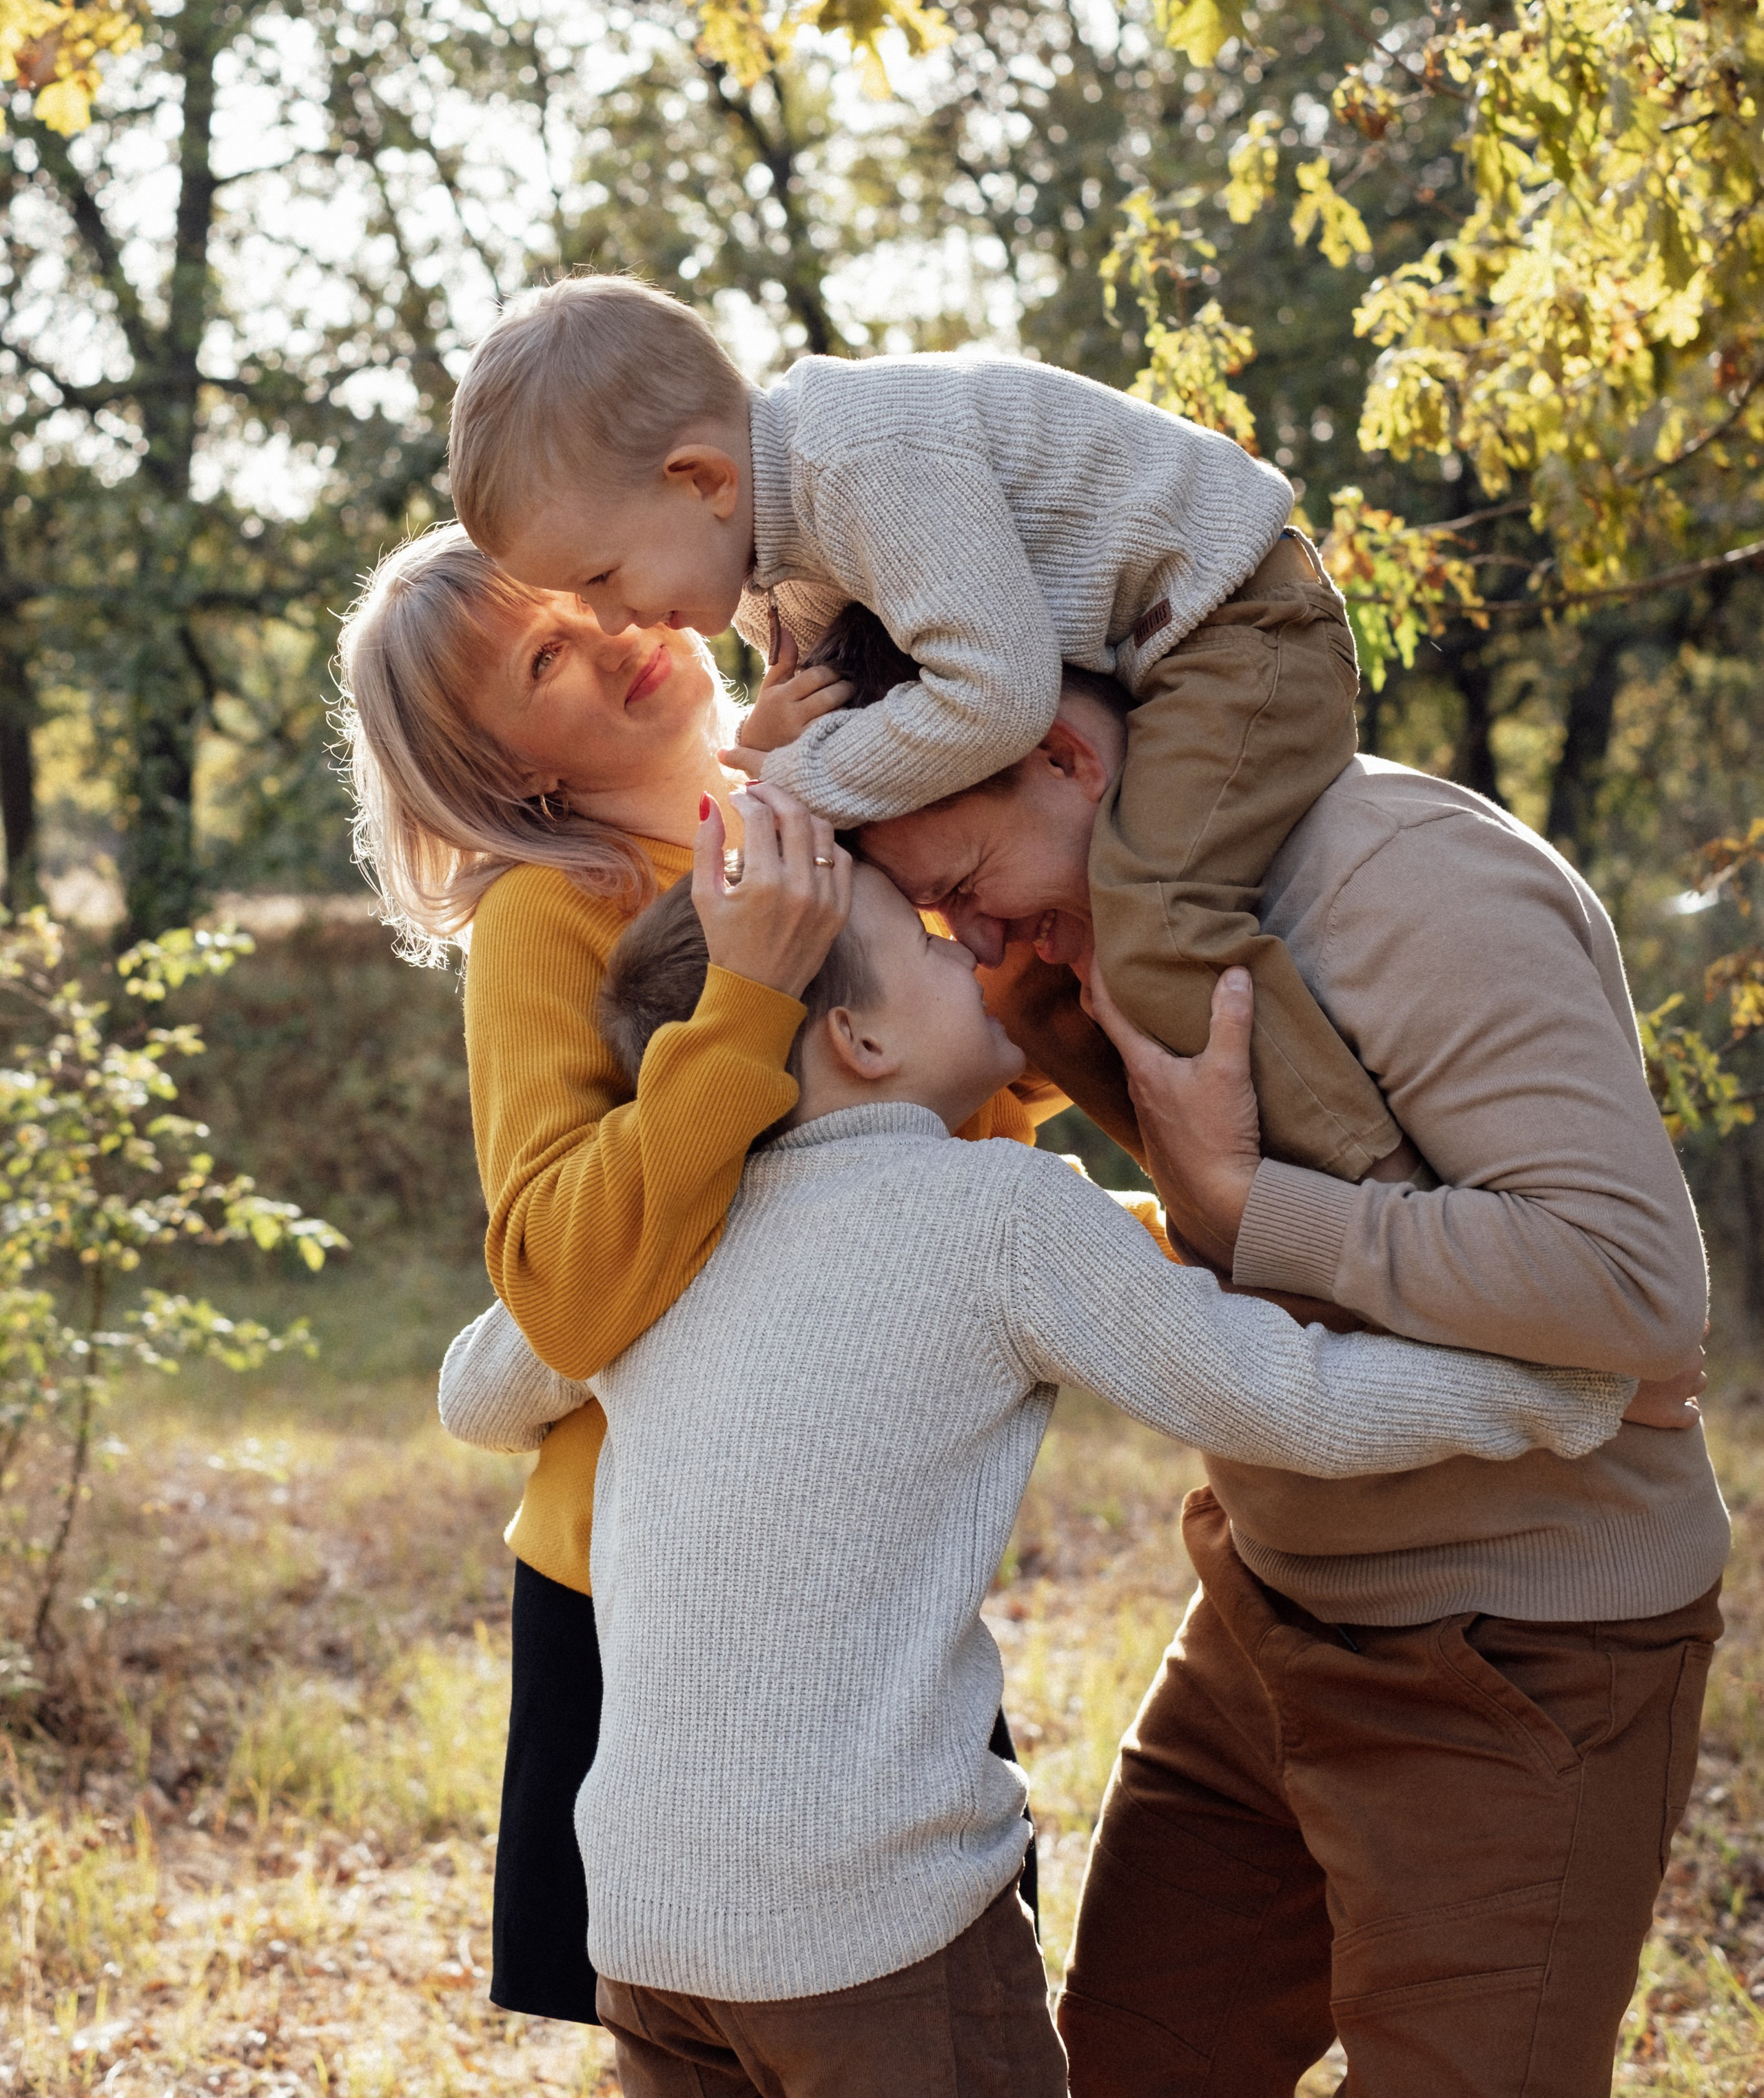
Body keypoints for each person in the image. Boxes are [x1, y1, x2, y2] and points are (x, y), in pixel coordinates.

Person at [444, 861, 1633, 2098]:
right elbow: (1285, 1398)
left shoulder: (660, 1237)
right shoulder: (993, 1212)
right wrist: (1560, 1389)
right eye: (929, 939)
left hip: (645, 1922)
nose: (970, 948)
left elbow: (474, 1395)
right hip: (871, 1932)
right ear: (857, 1033)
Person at [852, 656, 1728, 2098]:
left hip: (1514, 1657)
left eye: (965, 875)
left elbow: (1632, 1289)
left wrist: (1252, 1205)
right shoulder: (1104, 940)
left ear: (1070, 759)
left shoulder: (1395, 880)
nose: (974, 931)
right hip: (1260, 1623)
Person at [336, 524, 1046, 2029]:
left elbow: (944, 1111)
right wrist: (746, 994)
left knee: (918, 1992)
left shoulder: (822, 815)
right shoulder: (548, 912)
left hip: (860, 1536)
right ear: (498, 766)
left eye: (588, 601)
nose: (609, 638)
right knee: (709, 2031)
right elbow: (564, 1285)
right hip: (643, 1571)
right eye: (542, 658)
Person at [444, 271, 1406, 1184]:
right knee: (1024, 993)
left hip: (1235, 626)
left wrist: (793, 779)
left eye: (602, 578)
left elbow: (997, 694)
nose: (607, 618)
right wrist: (783, 758)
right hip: (1125, 673)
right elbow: (880, 726)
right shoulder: (767, 580)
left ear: (702, 480)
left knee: (1153, 918)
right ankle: (1223, 1220)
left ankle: (1375, 1191)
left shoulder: (862, 459)